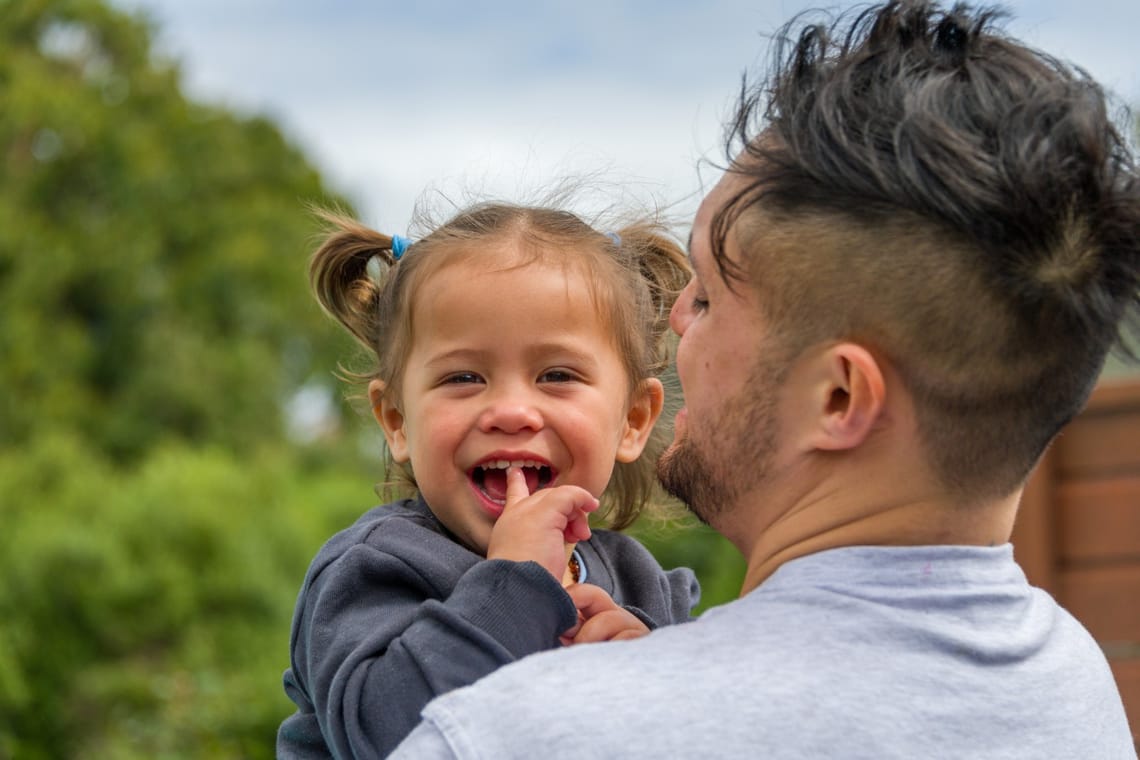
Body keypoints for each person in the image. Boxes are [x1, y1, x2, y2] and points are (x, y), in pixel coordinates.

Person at [390, 2, 1140, 758]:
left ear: (838, 397)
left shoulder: (513, 734)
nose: (675, 317)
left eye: (710, 296)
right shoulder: (1072, 681)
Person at [275, 201, 700, 758]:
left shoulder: (643, 587)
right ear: (397, 421)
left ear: (633, 419)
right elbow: (386, 737)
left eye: (556, 375)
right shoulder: (376, 568)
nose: (510, 410)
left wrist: (648, 680)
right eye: (464, 377)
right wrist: (514, 585)